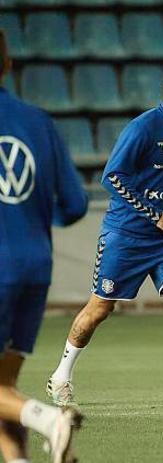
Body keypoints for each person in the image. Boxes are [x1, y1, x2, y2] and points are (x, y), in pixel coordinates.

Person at [46, 65, 163, 407]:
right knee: (99, 309)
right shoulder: (143, 128)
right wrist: (153, 213)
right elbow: (112, 178)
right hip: (126, 235)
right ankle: (61, 375)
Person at [0, 29, 88, 463]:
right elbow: (73, 205)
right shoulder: (39, 122)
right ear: (8, 65)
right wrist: (29, 219)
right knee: (3, 388)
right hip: (35, 266)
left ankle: (50, 420)